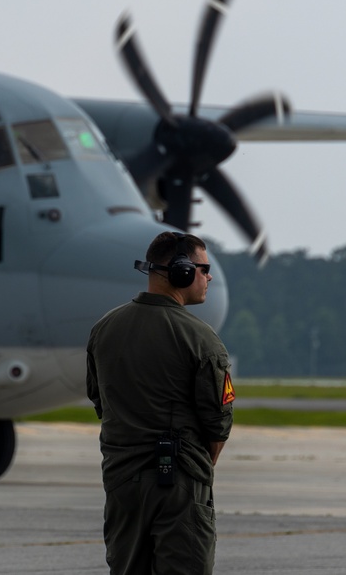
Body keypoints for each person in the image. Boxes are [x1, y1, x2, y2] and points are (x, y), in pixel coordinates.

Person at [86, 231, 235, 574]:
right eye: (203, 268)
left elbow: (101, 403)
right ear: (181, 271)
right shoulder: (200, 337)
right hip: (178, 485)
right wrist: (195, 471)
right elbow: (217, 425)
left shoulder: (103, 328)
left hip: (122, 482)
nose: (208, 276)